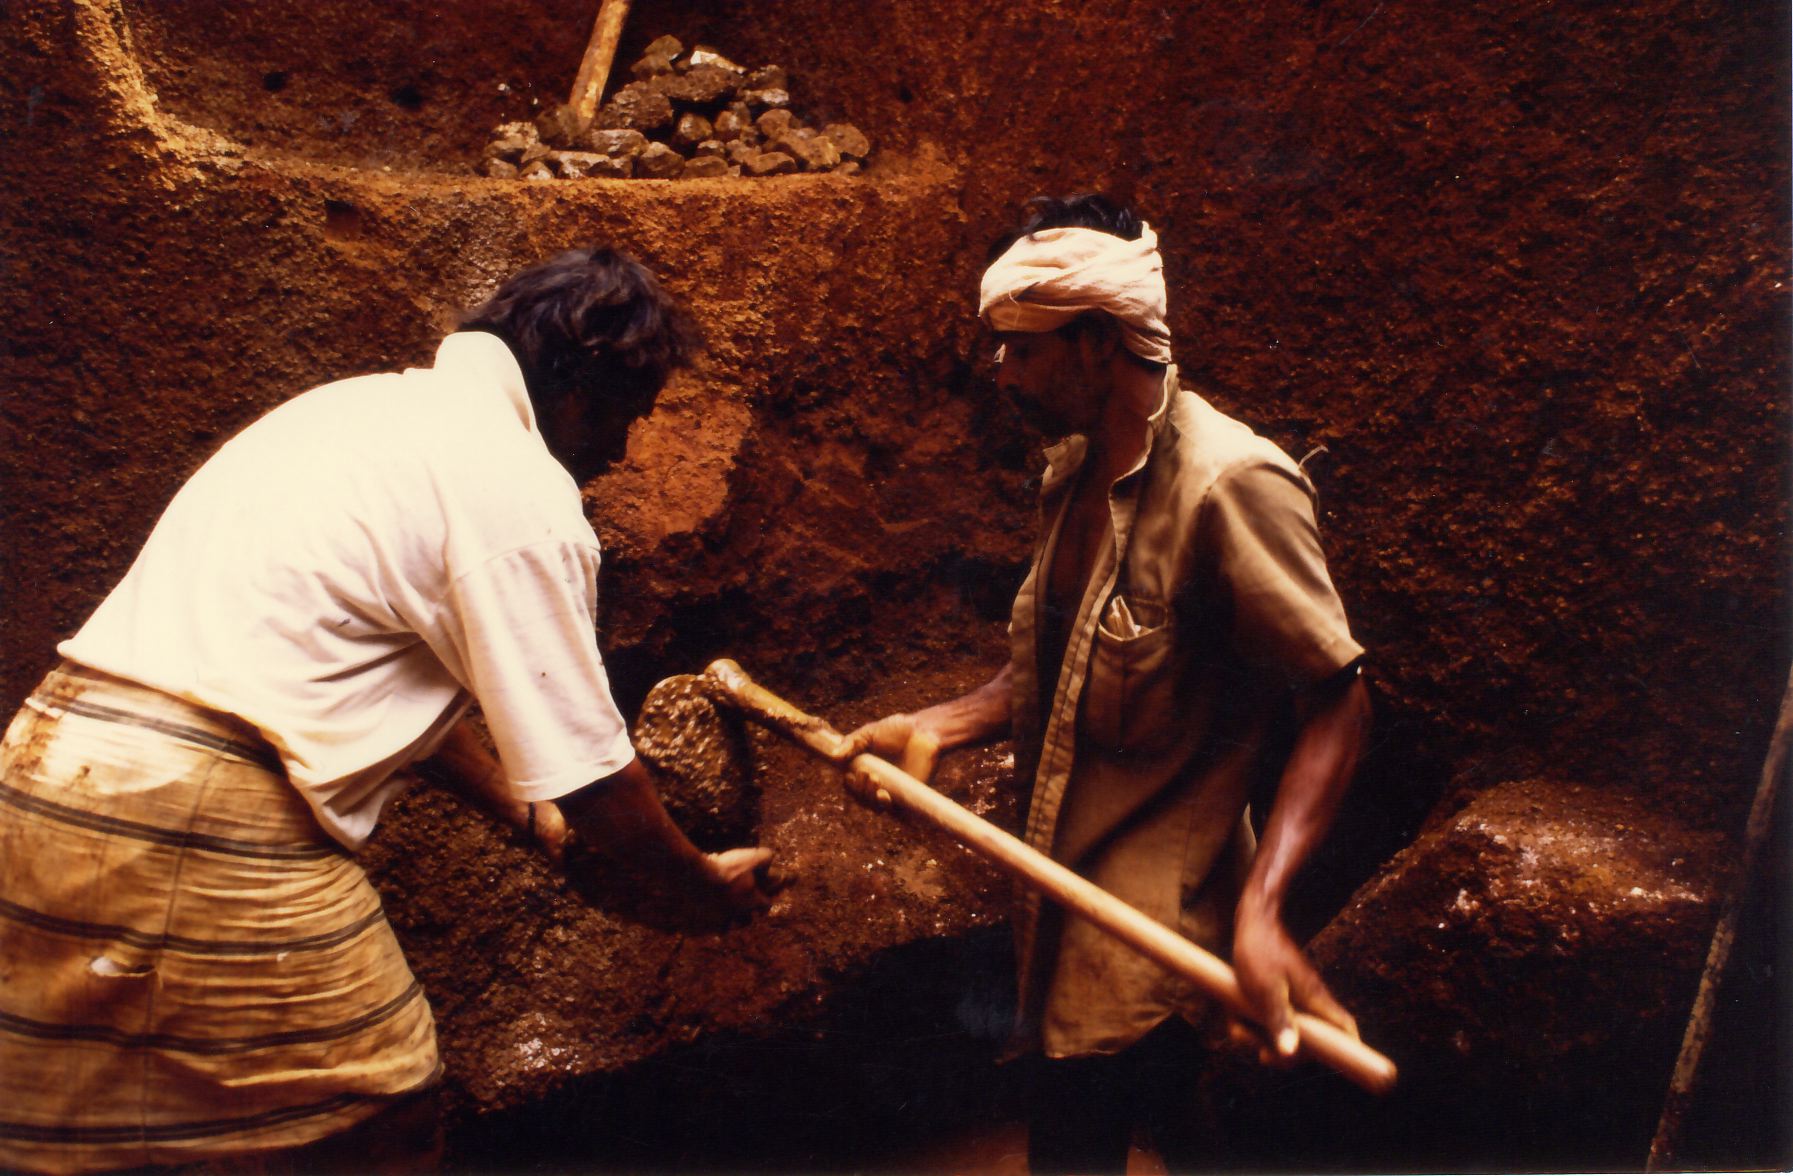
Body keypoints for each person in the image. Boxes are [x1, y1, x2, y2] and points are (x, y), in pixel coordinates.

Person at [0, 247, 779, 1174]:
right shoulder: (517, 486)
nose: (619, 452)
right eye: (623, 417)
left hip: (50, 771)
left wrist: (524, 822)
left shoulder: (349, 412)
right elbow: (591, 772)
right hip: (194, 814)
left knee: (72, 1122)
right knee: (380, 1110)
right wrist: (693, 886)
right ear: (577, 387)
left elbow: (367, 690)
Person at [843, 195, 1371, 1172]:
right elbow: (1062, 653)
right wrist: (939, 722)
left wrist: (1261, 917)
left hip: (1157, 927)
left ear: (1098, 345)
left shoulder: (1229, 487)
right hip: (1059, 898)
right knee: (1174, 1135)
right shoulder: (1075, 473)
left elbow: (1336, 701)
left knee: (1082, 1141)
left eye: (1020, 348)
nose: (998, 372)